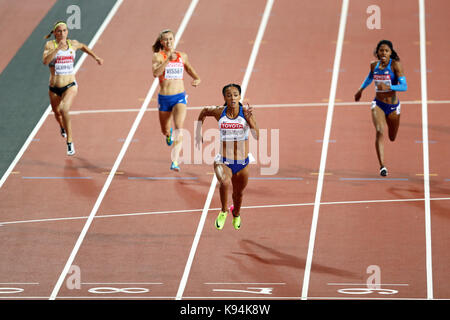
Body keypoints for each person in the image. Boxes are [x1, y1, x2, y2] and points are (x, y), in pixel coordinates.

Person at [195, 84, 259, 230]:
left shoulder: (246, 113)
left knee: (238, 194)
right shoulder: (219, 112)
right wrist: (198, 131)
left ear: (240, 97)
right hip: (223, 159)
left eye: (235, 95)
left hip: (242, 162)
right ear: (224, 97)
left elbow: (257, 135)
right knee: (224, 182)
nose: (232, 98)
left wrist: (249, 121)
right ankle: (223, 211)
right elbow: (204, 111)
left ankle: (235, 213)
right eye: (229, 95)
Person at [42, 21, 103, 156]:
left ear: (67, 32)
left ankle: (70, 141)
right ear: (55, 33)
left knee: (64, 109)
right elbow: (45, 61)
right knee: (57, 113)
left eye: (65, 30)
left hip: (70, 85)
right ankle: (62, 126)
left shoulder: (73, 44)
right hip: (54, 87)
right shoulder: (50, 45)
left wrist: (96, 57)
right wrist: (57, 49)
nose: (62, 33)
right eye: (59, 31)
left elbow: (83, 47)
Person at [354, 40, 407, 176]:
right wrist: (360, 90)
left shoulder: (395, 66)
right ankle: (382, 166)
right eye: (381, 50)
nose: (383, 53)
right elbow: (370, 77)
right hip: (378, 104)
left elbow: (404, 86)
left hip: (393, 107)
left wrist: (390, 87)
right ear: (377, 52)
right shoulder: (373, 65)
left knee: (392, 137)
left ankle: (390, 135)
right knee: (379, 130)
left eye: (386, 51)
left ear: (390, 53)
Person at [152, 29, 201, 171]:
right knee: (165, 130)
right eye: (166, 40)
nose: (169, 42)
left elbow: (189, 68)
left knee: (179, 127)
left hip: (179, 96)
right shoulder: (158, 56)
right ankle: (168, 134)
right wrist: (167, 60)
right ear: (162, 42)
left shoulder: (182, 56)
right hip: (164, 98)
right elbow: (156, 73)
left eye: (171, 39)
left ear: (174, 40)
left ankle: (175, 161)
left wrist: (197, 78)